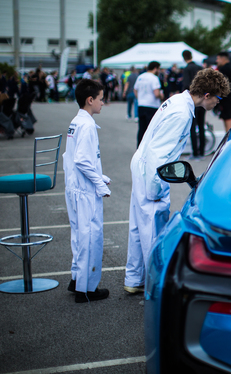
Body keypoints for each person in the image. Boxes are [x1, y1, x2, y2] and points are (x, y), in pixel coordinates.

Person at [124, 68, 231, 294]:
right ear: (207, 95)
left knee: (138, 227)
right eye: (218, 98)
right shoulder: (181, 113)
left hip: (143, 165)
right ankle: (156, 288)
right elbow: (159, 153)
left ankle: (134, 280)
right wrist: (156, 189)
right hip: (152, 171)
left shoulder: (178, 103)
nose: (217, 104)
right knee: (153, 229)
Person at [63, 79, 111, 303]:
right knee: (90, 238)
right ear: (90, 100)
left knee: (79, 237)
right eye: (101, 99)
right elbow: (82, 160)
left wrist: (100, 177)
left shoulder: (77, 121)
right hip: (84, 192)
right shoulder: (87, 124)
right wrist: (99, 184)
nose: (104, 103)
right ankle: (86, 289)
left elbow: (71, 159)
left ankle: (76, 279)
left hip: (75, 188)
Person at [182, 50, 206, 160]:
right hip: (202, 100)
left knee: (193, 127)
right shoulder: (200, 67)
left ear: (184, 58)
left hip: (193, 101)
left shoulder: (187, 69)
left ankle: (195, 152)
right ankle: (202, 151)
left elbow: (186, 85)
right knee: (201, 126)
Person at [134, 61, 163, 147]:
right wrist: (162, 96)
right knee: (151, 129)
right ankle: (148, 148)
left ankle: (139, 148)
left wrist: (139, 98)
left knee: (141, 128)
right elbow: (156, 93)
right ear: (155, 68)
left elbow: (135, 89)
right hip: (152, 106)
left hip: (141, 105)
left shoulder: (140, 77)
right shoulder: (154, 78)